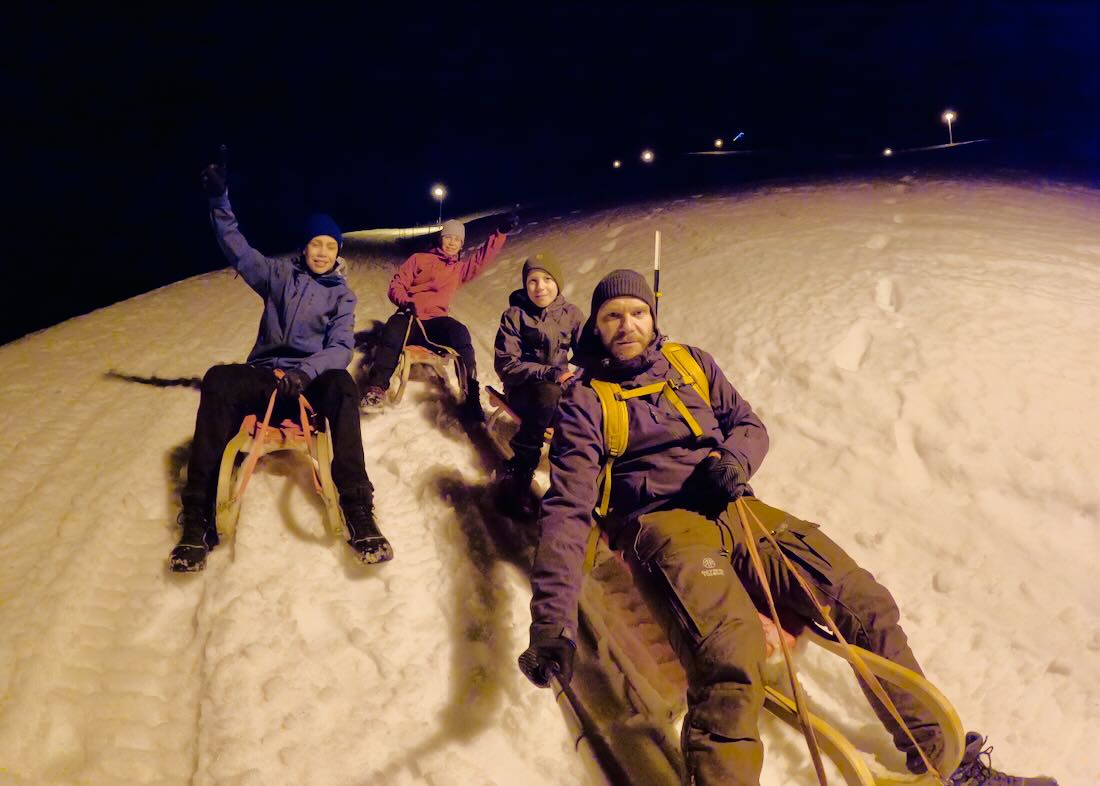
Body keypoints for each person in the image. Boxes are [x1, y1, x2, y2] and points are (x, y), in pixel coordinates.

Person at [518, 269, 1057, 786]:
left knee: (862, 602)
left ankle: (944, 760)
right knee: (730, 653)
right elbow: (566, 510)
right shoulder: (585, 401)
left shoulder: (690, 364)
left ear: (654, 318)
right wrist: (552, 625)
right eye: (613, 315)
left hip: (735, 507)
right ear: (596, 325)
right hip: (664, 526)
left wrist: (735, 459)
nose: (628, 324)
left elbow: (748, 424)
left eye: (638, 312)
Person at [169, 160, 393, 572]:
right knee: (218, 378)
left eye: (330, 245)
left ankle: (359, 510)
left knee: (343, 384)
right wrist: (219, 198)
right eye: (316, 244)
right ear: (304, 247)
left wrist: (307, 372)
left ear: (337, 251)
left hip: (309, 383)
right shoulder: (277, 276)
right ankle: (197, 517)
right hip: (266, 378)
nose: (322, 252)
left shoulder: (342, 297)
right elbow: (235, 245)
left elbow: (341, 346)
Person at [361, 214, 516, 423]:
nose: (452, 243)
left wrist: (500, 234)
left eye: (457, 240)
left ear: (461, 244)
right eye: (448, 238)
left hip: (435, 323)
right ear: (441, 238)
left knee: (460, 332)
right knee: (393, 327)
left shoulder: (459, 269)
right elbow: (396, 285)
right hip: (410, 317)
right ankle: (376, 388)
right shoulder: (419, 259)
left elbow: (481, 259)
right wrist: (405, 302)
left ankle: (471, 397)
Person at [491, 252, 584, 517]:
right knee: (548, 392)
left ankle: (580, 483)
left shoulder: (572, 314)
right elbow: (507, 365)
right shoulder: (514, 316)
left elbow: (589, 354)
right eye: (532, 280)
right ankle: (520, 471)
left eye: (547, 279)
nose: (540, 287)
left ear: (558, 282)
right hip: (523, 388)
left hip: (560, 390)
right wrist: (551, 373)